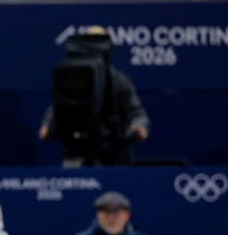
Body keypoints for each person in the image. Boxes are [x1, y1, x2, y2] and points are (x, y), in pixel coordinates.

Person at [38, 26, 150, 167]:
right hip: (76, 147)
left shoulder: (118, 81)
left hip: (113, 151)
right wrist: (48, 126)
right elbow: (59, 106)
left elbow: (137, 113)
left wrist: (139, 126)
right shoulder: (72, 77)